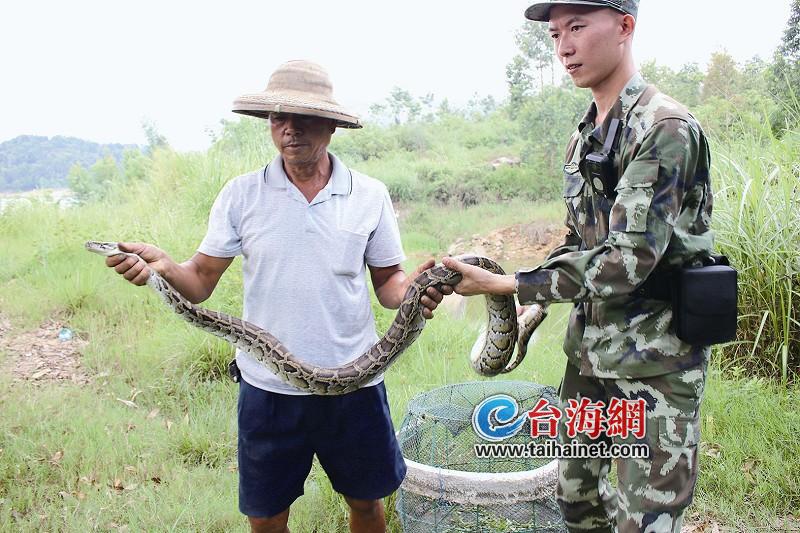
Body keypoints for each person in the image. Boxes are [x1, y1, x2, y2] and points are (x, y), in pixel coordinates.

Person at [106, 60, 451, 533]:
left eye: (304, 118)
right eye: (278, 119)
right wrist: (163, 269)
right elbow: (201, 280)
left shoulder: (369, 195)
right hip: (268, 389)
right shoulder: (241, 195)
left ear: (331, 125)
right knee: (265, 516)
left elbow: (389, 286)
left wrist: (415, 289)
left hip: (356, 385)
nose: (290, 130)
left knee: (368, 505)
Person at [443, 2, 713, 532]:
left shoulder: (665, 128)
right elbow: (581, 237)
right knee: (577, 504)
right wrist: (535, 299)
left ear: (625, 27)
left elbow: (630, 258)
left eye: (578, 27)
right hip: (590, 358)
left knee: (646, 520)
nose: (564, 46)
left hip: (655, 364)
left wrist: (510, 283)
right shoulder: (587, 131)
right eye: (555, 33)